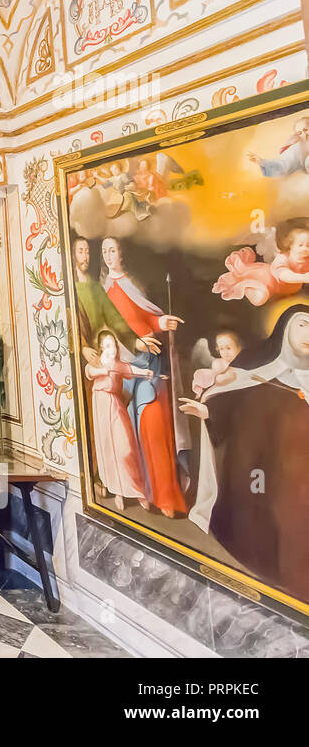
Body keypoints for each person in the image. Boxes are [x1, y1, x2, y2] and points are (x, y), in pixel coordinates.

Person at [179, 305, 309, 598]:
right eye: (302, 325)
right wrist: (207, 411)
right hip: (270, 476)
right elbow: (231, 402)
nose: (308, 333)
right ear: (285, 331)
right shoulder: (262, 372)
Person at [100, 237, 188, 518]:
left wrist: (162, 322)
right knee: (127, 437)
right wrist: (130, 345)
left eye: (112, 249)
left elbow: (147, 319)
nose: (108, 255)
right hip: (122, 368)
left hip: (149, 364)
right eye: (104, 251)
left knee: (153, 427)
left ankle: (164, 495)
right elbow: (104, 334)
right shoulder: (103, 291)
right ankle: (140, 492)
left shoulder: (131, 284)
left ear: (122, 254)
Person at [84, 329, 150, 509]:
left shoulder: (118, 364)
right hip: (100, 404)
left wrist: (148, 374)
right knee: (107, 449)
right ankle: (118, 492)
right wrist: (103, 369)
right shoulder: (98, 364)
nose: (111, 348)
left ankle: (137, 491)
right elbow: (89, 371)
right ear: (101, 348)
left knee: (125, 448)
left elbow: (132, 370)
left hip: (114, 404)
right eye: (106, 345)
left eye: (113, 344)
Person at [213, 218, 309, 306]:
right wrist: (303, 277)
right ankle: (246, 285)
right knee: (259, 299)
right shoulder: (283, 258)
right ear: (289, 244)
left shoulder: (306, 259)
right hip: (267, 279)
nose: (305, 249)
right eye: (300, 245)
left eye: (308, 245)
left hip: (287, 290)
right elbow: (284, 275)